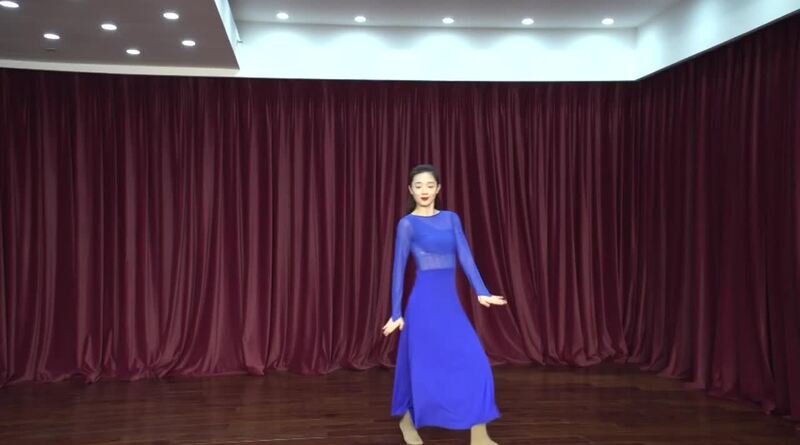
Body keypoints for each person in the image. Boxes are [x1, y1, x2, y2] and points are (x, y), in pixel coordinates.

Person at [382, 164, 508, 445]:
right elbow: (398, 269)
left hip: (449, 306)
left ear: (438, 188)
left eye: (430, 185)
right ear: (410, 190)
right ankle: (407, 421)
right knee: (421, 368)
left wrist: (482, 291)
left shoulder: (451, 219)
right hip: (422, 307)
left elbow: (466, 255)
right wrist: (396, 313)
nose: (424, 191)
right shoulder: (407, 224)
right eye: (418, 186)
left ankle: (479, 436)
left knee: (476, 364)